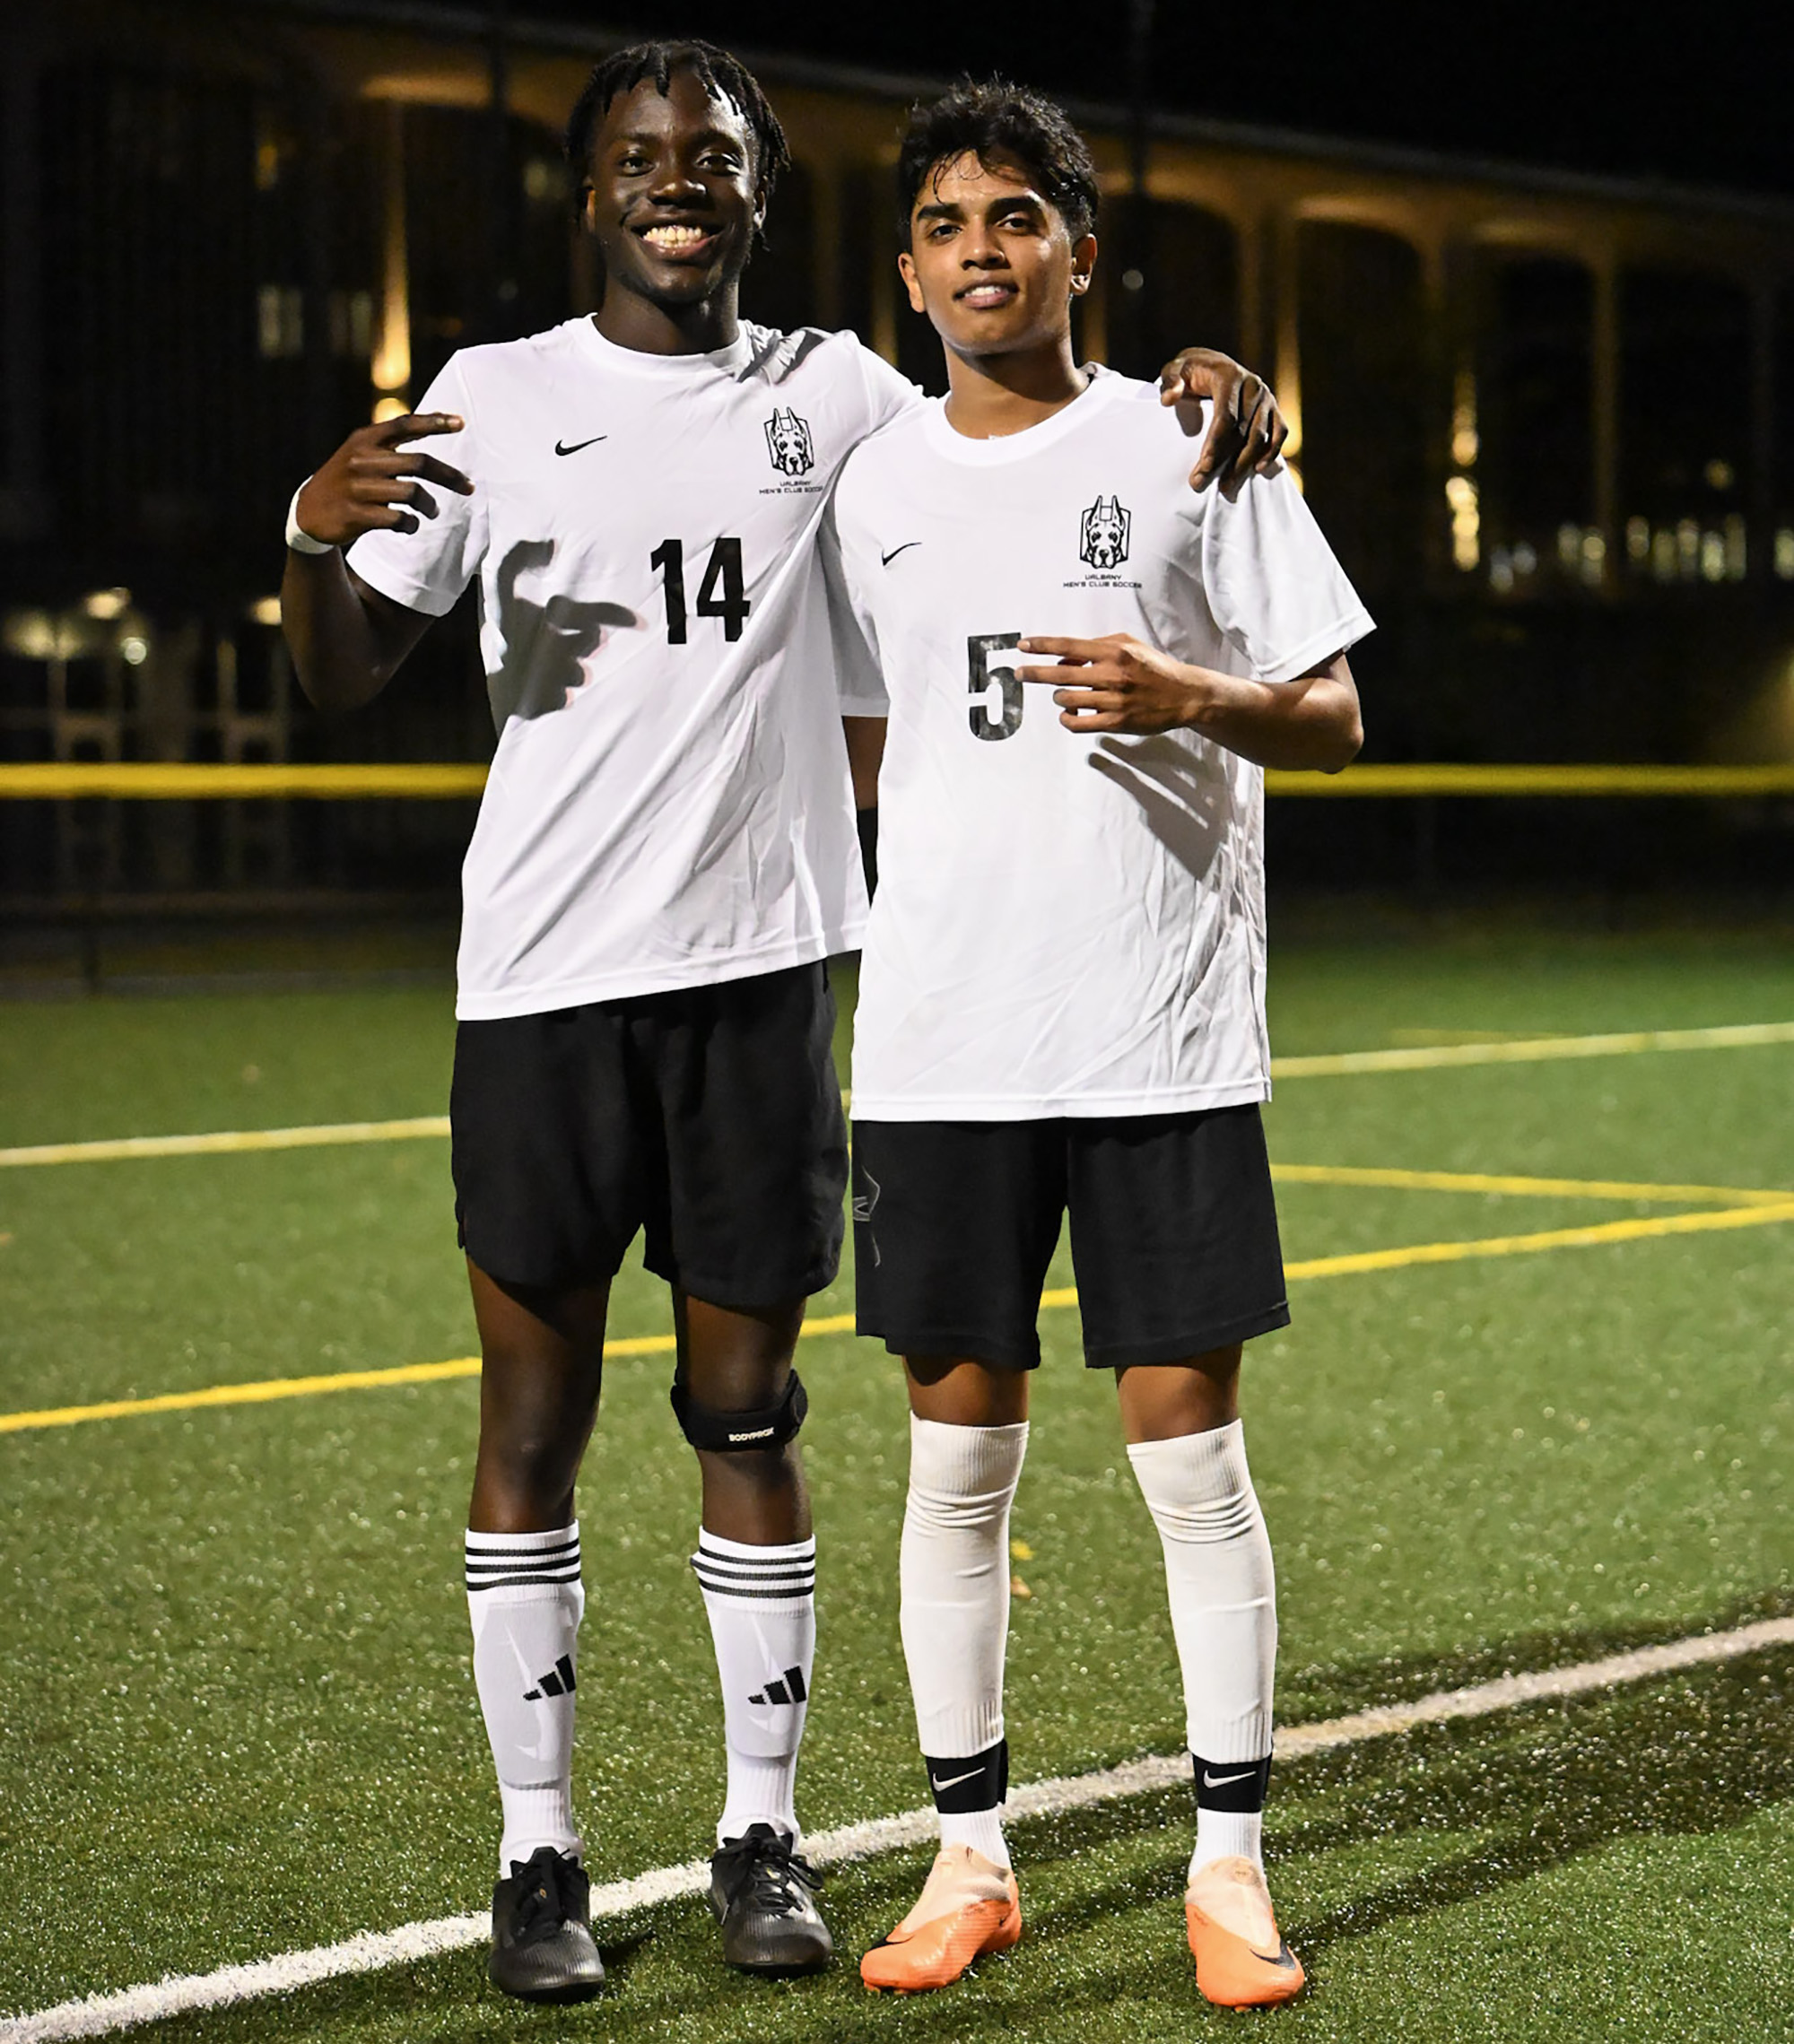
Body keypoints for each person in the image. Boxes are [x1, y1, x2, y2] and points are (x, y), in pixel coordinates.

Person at [280, 37, 1285, 2005]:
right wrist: (313, 536)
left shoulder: (831, 389)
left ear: (755, 189)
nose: (678, 180)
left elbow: (1018, 420)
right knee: (534, 1420)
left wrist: (1210, 385)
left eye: (714, 156)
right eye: (641, 157)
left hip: (764, 978)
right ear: (589, 195)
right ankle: (537, 1855)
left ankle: (761, 1835)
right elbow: (339, 673)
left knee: (748, 1413)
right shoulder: (491, 399)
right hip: (542, 984)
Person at [830, 79, 1371, 2008]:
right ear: (906, 273)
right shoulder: (869, 481)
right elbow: (846, 732)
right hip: (942, 1043)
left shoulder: (1191, 434)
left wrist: (1186, 691)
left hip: (1155, 1034)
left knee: (1186, 1456)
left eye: (1018, 216)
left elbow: (1330, 718)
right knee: (952, 1464)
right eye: (949, 224)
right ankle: (968, 1855)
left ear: (1082, 249)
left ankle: (1229, 1869)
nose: (983, 249)